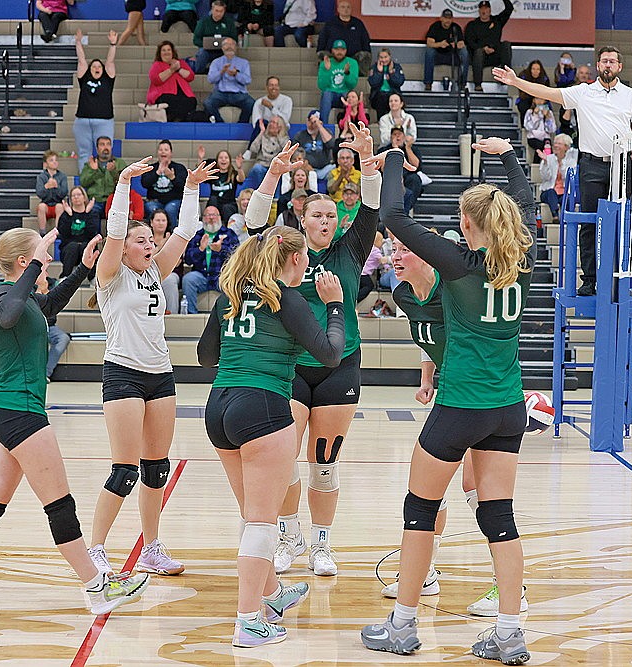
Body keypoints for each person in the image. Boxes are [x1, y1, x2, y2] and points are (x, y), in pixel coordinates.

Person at [360, 136, 535, 664]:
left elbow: (392, 212)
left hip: (461, 404)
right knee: (499, 516)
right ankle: (509, 632)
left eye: (463, 219)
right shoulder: (521, 254)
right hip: (508, 408)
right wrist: (507, 155)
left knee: (420, 509)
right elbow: (527, 201)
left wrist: (393, 158)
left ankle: (404, 624)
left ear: (470, 225)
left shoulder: (460, 264)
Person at [0, 227, 148, 616]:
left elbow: (45, 307)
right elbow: (12, 311)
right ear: (23, 262)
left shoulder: (24, 297)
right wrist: (36, 261)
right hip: (21, 413)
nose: (48, 260)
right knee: (60, 505)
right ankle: (97, 587)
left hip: (8, 411)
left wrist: (83, 270)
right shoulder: (4, 296)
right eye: (43, 255)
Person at [198, 163, 345, 645]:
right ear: (297, 260)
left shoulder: (233, 294)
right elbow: (329, 355)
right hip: (263, 407)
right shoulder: (290, 298)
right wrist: (337, 305)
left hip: (219, 405)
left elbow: (206, 356)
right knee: (261, 523)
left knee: (251, 514)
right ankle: (248, 623)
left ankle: (274, 594)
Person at [87, 158, 217, 577]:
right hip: (123, 373)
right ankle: (96, 550)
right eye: (140, 240)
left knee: (155, 469)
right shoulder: (111, 275)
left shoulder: (155, 273)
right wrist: (124, 182)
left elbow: (184, 232)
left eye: (149, 241)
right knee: (123, 470)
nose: (148, 246)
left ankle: (151, 548)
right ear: (124, 247)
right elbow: (116, 229)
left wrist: (192, 187)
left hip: (160, 376)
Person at [267, 125, 380, 578]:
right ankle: (287, 534)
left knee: (324, 462)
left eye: (332, 217)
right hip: (292, 364)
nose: (326, 222)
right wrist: (274, 174)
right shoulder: (285, 250)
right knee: (282, 457)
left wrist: (368, 161)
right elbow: (257, 222)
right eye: (318, 216)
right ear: (302, 218)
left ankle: (320, 545)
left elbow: (371, 209)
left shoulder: (349, 251)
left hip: (339, 364)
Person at [493, 46, 632, 297]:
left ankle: (622, 279)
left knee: (623, 223)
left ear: (619, 66)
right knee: (588, 221)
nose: (608, 65)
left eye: (612, 61)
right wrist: (516, 81)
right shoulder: (583, 92)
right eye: (604, 61)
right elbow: (548, 92)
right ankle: (589, 280)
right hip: (592, 164)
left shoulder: (631, 96)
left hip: (623, 163)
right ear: (598, 65)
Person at [184, 205, 239, 314]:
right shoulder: (197, 235)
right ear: (203, 218)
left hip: (221, 276)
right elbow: (188, 259)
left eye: (214, 215)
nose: (211, 218)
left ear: (219, 217)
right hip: (202, 276)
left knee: (232, 282)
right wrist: (200, 249)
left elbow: (237, 257)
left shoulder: (229, 234)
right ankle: (191, 314)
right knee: (188, 279)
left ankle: (230, 315)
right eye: (208, 215)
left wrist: (221, 249)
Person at [73, 29, 117, 167]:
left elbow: (110, 62)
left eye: (99, 66)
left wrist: (113, 44)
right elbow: (81, 61)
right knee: (84, 152)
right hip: (83, 121)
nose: (96, 68)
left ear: (103, 69)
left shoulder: (107, 79)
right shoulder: (84, 78)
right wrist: (78, 42)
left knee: (105, 153)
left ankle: (104, 183)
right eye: (94, 66)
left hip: (104, 121)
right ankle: (84, 181)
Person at [464, 0, 513, 92]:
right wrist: (483, 48)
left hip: (495, 56)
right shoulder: (472, 25)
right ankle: (478, 84)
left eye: (486, 9)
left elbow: (509, 9)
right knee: (478, 52)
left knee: (506, 44)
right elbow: (469, 41)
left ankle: (505, 79)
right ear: (479, 11)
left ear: (490, 10)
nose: (484, 11)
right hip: (479, 57)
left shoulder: (497, 21)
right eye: (482, 9)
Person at [203, 38, 254, 124]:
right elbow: (210, 79)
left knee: (251, 103)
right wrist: (221, 72)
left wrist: (236, 74)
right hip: (220, 93)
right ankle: (220, 124)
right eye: (226, 44)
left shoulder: (244, 63)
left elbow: (248, 80)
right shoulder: (216, 62)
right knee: (208, 103)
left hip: (238, 93)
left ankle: (241, 124)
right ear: (222, 48)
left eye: (232, 44)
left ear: (236, 47)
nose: (229, 47)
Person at [316, 0, 372, 76]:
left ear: (351, 10)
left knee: (365, 55)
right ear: (338, 9)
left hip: (353, 56)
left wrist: (367, 52)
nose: (346, 9)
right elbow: (322, 38)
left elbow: (365, 40)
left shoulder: (358, 23)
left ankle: (359, 77)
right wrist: (320, 50)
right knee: (322, 54)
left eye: (348, 7)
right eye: (343, 7)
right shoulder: (330, 23)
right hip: (334, 56)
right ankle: (326, 75)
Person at [147, 41, 196, 122]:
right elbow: (156, 79)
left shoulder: (181, 63)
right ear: (160, 53)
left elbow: (190, 77)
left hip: (183, 94)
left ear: (173, 52)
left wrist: (179, 69)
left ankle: (178, 119)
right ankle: (176, 119)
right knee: (170, 100)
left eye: (169, 50)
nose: (167, 52)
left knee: (191, 101)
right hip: (163, 95)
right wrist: (171, 70)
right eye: (164, 50)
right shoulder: (157, 64)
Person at [142, 140, 189, 226]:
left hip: (174, 201)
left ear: (171, 153)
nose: (163, 151)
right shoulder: (151, 168)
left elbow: (185, 187)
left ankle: (171, 235)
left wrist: (172, 177)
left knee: (170, 209)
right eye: (160, 149)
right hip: (154, 201)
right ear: (157, 153)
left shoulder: (179, 168)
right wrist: (157, 173)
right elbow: (144, 184)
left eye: (166, 149)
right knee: (151, 208)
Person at [58, 186, 102, 277]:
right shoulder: (65, 215)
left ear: (84, 197)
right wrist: (70, 216)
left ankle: (93, 278)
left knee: (87, 246)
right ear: (70, 199)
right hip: (69, 250)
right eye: (73, 196)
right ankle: (65, 277)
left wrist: (86, 214)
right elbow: (63, 234)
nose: (76, 197)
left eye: (78, 195)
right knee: (72, 246)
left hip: (86, 247)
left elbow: (92, 233)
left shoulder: (92, 214)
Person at [80, 136, 127, 220]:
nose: (105, 147)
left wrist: (113, 171)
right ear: (97, 149)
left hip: (114, 200)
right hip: (95, 200)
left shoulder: (120, 163)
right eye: (102, 144)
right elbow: (83, 182)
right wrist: (94, 171)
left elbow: (124, 183)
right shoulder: (90, 164)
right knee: (92, 211)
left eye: (108, 144)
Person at [378, 127, 423, 215]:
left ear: (404, 136)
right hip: (390, 177)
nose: (397, 137)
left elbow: (416, 166)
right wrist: (395, 150)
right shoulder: (384, 150)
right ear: (391, 137)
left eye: (400, 134)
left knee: (415, 179)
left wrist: (408, 148)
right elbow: (383, 169)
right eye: (395, 134)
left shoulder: (412, 149)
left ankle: (406, 209)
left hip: (407, 177)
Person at [423, 9, 468, 89]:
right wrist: (440, 44)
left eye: (449, 18)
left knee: (464, 53)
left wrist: (456, 44)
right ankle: (428, 83)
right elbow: (429, 43)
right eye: (446, 18)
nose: (447, 20)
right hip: (438, 55)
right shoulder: (435, 26)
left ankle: (462, 83)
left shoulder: (456, 27)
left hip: (452, 55)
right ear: (441, 18)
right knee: (429, 52)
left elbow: (462, 43)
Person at [318, 41, 359, 126]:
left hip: (344, 94)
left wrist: (347, 73)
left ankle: (348, 124)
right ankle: (323, 126)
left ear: (346, 51)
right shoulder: (325, 63)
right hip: (330, 95)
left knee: (350, 95)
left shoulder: (352, 63)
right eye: (337, 49)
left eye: (342, 49)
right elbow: (322, 86)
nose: (339, 52)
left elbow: (352, 85)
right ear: (332, 50)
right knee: (326, 94)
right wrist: (327, 70)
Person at [190, 0, 237, 74]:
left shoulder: (229, 23)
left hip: (223, 51)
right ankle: (200, 71)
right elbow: (196, 39)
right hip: (207, 51)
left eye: (221, 11)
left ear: (224, 11)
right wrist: (205, 45)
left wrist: (228, 44)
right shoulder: (203, 22)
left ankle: (227, 71)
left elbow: (234, 39)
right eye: (216, 11)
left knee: (230, 52)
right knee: (202, 53)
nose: (219, 13)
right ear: (212, 10)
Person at [199, 146, 245, 221]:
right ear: (217, 160)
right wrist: (201, 159)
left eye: (226, 157)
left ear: (229, 161)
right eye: (221, 157)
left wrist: (239, 168)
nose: (223, 159)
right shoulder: (213, 173)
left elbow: (241, 179)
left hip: (229, 205)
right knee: (213, 200)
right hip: (215, 204)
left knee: (226, 208)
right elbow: (200, 177)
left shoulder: (233, 174)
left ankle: (228, 230)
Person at [149, 209, 181, 313]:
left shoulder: (173, 239)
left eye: (163, 220)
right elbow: (147, 260)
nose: (161, 223)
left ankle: (172, 314)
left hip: (170, 273)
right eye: (157, 220)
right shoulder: (145, 239)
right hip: (148, 272)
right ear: (151, 222)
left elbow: (176, 263)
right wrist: (161, 245)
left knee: (169, 280)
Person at [538, 133, 577, 222]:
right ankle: (555, 216)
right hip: (549, 192)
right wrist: (545, 162)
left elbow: (568, 178)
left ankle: (566, 219)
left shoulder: (571, 161)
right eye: (555, 143)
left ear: (566, 147)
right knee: (551, 192)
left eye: (559, 144)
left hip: (564, 192)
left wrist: (561, 163)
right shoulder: (548, 158)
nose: (555, 145)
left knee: (567, 198)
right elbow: (545, 177)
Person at [39, 277, 71, 382]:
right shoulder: (25, 283)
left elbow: (51, 314)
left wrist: (45, 291)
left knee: (63, 338)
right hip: (30, 326)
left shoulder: (52, 283)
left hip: (50, 326)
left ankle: (45, 373)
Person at [293, 110, 336, 180]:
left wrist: (319, 126)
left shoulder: (326, 132)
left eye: (315, 122)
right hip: (306, 169)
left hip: (326, 169)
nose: (312, 124)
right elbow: (295, 154)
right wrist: (305, 165)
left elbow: (331, 144)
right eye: (310, 121)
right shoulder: (299, 135)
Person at [246, 115, 289, 182]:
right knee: (257, 169)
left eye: (274, 122)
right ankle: (262, 191)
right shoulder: (263, 136)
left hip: (276, 166)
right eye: (270, 122)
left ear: (280, 126)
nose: (271, 124)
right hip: (262, 164)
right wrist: (262, 132)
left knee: (281, 173)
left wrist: (278, 136)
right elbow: (253, 149)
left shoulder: (284, 138)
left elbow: (286, 153)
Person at [251, 76, 293, 142]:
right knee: (260, 124)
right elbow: (255, 122)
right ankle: (250, 151)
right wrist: (268, 129)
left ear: (279, 87)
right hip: (264, 130)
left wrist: (271, 107)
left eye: (276, 85)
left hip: (280, 129)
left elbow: (285, 119)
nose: (274, 87)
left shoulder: (287, 100)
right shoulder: (259, 102)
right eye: (271, 85)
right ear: (266, 88)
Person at [35, 150, 68, 234]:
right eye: (51, 160)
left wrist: (57, 187)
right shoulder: (41, 177)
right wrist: (46, 187)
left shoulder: (62, 176)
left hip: (57, 204)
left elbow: (64, 193)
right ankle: (42, 232)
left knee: (60, 207)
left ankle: (57, 231)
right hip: (46, 204)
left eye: (56, 160)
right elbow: (39, 193)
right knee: (41, 206)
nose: (54, 162)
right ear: (45, 164)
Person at [368, 48, 405, 120]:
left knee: (392, 98)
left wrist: (391, 73)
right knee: (382, 97)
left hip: (393, 93)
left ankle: (395, 120)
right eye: (381, 57)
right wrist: (379, 72)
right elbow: (373, 83)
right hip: (378, 95)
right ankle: (381, 121)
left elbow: (399, 82)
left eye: (385, 57)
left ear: (390, 57)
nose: (384, 60)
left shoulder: (396, 67)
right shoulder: (374, 68)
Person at [515, 60, 551, 124]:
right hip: (526, 98)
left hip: (540, 99)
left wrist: (538, 99)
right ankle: (524, 125)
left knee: (547, 107)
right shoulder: (524, 77)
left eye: (538, 69)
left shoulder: (545, 79)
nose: (535, 71)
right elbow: (522, 92)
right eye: (533, 69)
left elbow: (547, 93)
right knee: (523, 105)